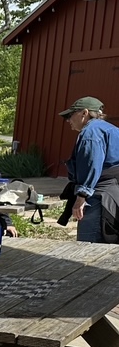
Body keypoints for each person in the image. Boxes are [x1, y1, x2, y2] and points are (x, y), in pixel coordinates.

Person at [60, 96, 119, 243]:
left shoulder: (90, 133)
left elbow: (91, 164)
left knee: (88, 246)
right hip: (114, 193)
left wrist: (81, 197)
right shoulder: (112, 129)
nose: (68, 120)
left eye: (70, 115)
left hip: (99, 196)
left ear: (84, 113)